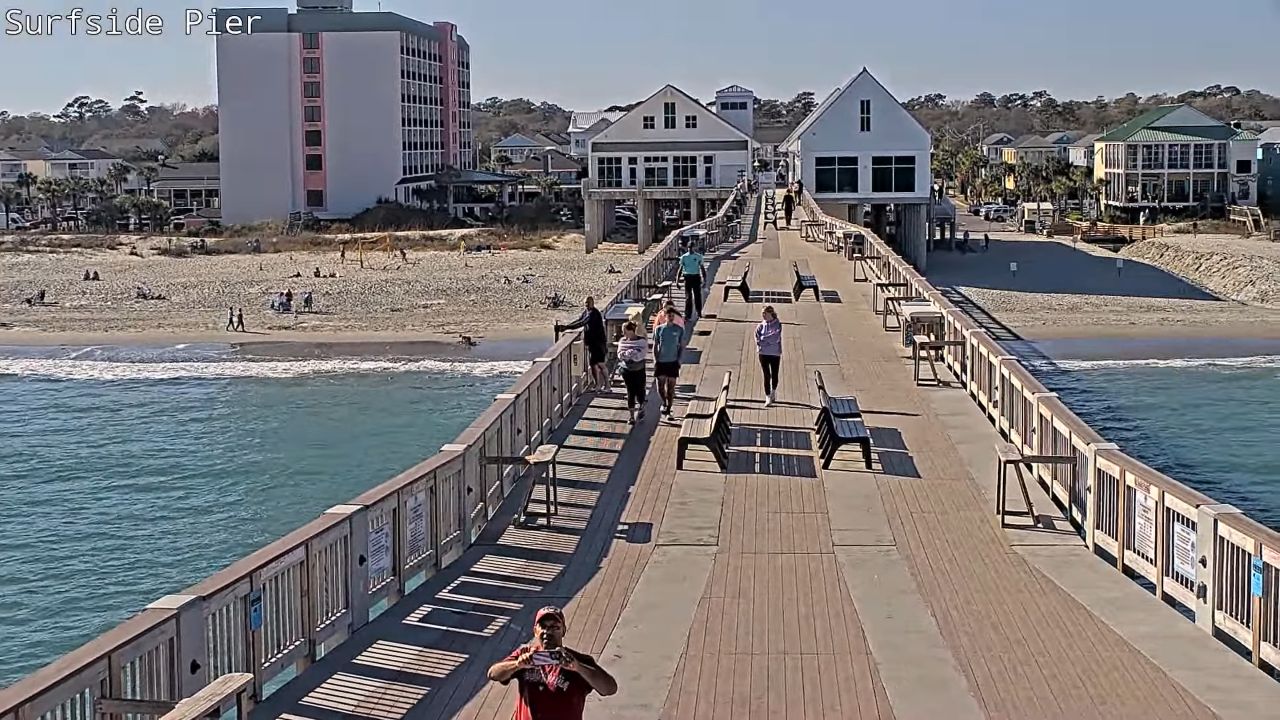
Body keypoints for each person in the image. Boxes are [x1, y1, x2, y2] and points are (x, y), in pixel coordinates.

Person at [487, 606, 617, 720]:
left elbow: (609, 689)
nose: (548, 632)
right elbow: (493, 673)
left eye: (555, 627)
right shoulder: (525, 654)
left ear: (563, 631)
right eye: (543, 626)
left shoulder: (577, 660)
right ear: (535, 630)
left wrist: (578, 667)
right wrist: (517, 665)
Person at [560, 296, 608, 392]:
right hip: (592, 343)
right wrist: (566, 326)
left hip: (598, 343)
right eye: (585, 303)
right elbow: (578, 320)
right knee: (593, 364)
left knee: (600, 364)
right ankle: (597, 385)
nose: (586, 305)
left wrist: (566, 328)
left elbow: (582, 323)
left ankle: (607, 385)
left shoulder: (594, 313)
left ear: (592, 303)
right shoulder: (586, 312)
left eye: (588, 303)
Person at [653, 308, 685, 416]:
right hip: (661, 361)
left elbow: (681, 346)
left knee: (671, 388)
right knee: (660, 386)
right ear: (665, 316)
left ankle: (669, 408)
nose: (671, 318)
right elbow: (655, 345)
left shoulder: (679, 330)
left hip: (673, 361)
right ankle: (664, 402)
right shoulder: (659, 329)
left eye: (672, 316)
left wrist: (679, 360)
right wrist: (656, 360)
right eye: (669, 316)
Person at [616, 321, 647, 424]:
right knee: (630, 391)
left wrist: (631, 354)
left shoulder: (642, 341)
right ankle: (631, 416)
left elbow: (641, 355)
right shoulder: (622, 341)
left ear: (631, 331)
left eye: (625, 331)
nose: (623, 334)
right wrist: (629, 354)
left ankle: (642, 406)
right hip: (627, 370)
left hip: (639, 369)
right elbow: (620, 355)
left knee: (640, 390)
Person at [755, 305, 782, 405]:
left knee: (775, 374)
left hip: (775, 353)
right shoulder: (760, 326)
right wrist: (766, 340)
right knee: (767, 375)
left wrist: (764, 339)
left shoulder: (778, 324)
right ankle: (767, 396)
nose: (763, 315)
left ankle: (773, 391)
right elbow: (758, 339)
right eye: (762, 313)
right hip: (763, 353)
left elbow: (775, 338)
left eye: (765, 313)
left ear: (770, 313)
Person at [678, 244, 705, 319]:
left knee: (697, 296)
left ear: (694, 248)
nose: (690, 249)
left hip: (696, 277)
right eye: (689, 248)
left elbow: (702, 268)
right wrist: (677, 280)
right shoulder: (684, 257)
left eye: (691, 247)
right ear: (687, 248)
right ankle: (688, 314)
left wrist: (704, 279)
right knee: (688, 297)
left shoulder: (698, 256)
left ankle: (699, 311)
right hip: (687, 277)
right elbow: (680, 269)